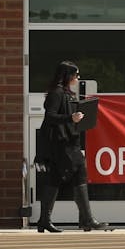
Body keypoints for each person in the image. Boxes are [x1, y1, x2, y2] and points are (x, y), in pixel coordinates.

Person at [34, 60, 112, 232]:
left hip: (67, 142)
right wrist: (71, 118)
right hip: (61, 144)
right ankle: (87, 220)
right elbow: (50, 117)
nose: (78, 77)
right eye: (76, 74)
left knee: (55, 178)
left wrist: (78, 117)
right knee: (79, 173)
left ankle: (44, 221)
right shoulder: (57, 93)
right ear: (68, 75)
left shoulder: (67, 94)